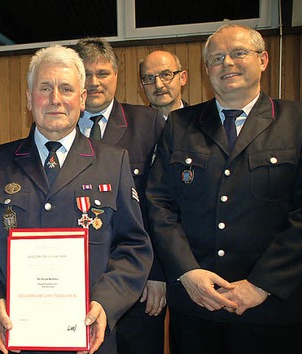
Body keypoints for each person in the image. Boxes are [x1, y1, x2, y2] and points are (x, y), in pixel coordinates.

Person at [0, 44, 152, 354]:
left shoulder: (113, 163)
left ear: (82, 98)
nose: (55, 99)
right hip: (13, 338)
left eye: (66, 89)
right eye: (45, 88)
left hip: (88, 338)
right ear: (28, 97)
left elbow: (134, 247)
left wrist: (106, 303)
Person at [146, 24, 302, 354]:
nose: (227, 63)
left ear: (263, 60)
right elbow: (159, 205)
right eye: (216, 58)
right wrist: (187, 271)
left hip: (272, 309)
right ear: (206, 70)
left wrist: (262, 284)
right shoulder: (180, 125)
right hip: (197, 308)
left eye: (238, 53)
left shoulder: (295, 122)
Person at [73, 38, 166, 354]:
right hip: (78, 279)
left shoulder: (147, 123)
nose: (95, 82)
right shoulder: (58, 124)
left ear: (117, 74)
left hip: (135, 279)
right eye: (85, 74)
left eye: (103, 73)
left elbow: (160, 205)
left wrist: (158, 275)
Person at [139, 50, 189, 119]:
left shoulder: (201, 123)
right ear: (142, 85)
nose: (158, 85)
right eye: (150, 78)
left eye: (165, 75)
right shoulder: (136, 128)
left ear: (182, 78)